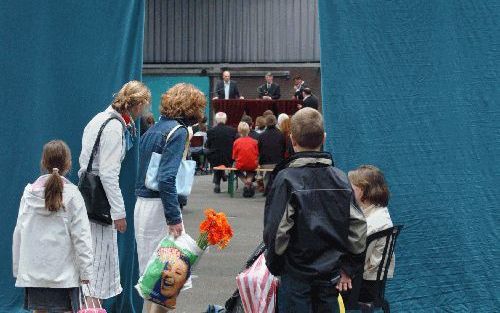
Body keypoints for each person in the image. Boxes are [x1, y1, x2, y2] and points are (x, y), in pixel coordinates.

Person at [263, 108, 367, 313]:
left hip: (296, 276)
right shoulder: (341, 178)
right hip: (330, 275)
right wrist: (347, 267)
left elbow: (276, 233)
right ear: (324, 138)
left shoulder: (286, 180)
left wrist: (275, 265)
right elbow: (358, 228)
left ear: (292, 140)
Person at [134, 83, 206, 313]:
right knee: (167, 281)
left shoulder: (153, 129)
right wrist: (174, 217)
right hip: (160, 208)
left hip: (143, 206)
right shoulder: (179, 131)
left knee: (151, 276)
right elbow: (166, 179)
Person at [79, 80, 151, 303]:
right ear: (136, 105)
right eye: (144, 105)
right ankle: (92, 308)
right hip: (100, 205)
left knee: (91, 259)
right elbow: (109, 174)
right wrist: (118, 213)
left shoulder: (98, 120)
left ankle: (90, 306)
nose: (144, 111)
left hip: (88, 198)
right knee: (98, 263)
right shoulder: (113, 127)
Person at [13, 140, 93, 313]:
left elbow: (19, 232)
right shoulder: (73, 195)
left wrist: (18, 268)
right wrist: (86, 272)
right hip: (64, 277)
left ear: (43, 162)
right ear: (68, 164)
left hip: (33, 274)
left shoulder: (28, 195)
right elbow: (82, 237)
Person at [348, 165, 395, 303]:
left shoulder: (375, 222)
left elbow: (356, 257)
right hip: (365, 283)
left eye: (352, 189)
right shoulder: (375, 213)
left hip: (363, 287)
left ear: (362, 191)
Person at [206, 112, 238, 193]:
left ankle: (217, 183)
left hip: (214, 158)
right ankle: (222, 175)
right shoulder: (232, 130)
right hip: (229, 157)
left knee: (216, 157)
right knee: (222, 158)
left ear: (216, 121)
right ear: (226, 120)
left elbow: (208, 145)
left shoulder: (210, 131)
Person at [257, 114, 285, 191]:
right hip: (278, 162)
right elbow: (283, 149)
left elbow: (258, 150)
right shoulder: (281, 135)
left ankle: (267, 187)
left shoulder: (261, 136)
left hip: (264, 163)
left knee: (267, 174)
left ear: (266, 122)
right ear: (275, 122)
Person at [232, 122, 259, 198]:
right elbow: (257, 154)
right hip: (252, 164)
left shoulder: (236, 142)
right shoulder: (254, 142)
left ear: (239, 131)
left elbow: (234, 156)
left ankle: (246, 182)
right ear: (249, 130)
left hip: (241, 164)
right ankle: (249, 181)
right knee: (252, 170)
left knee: (236, 169)